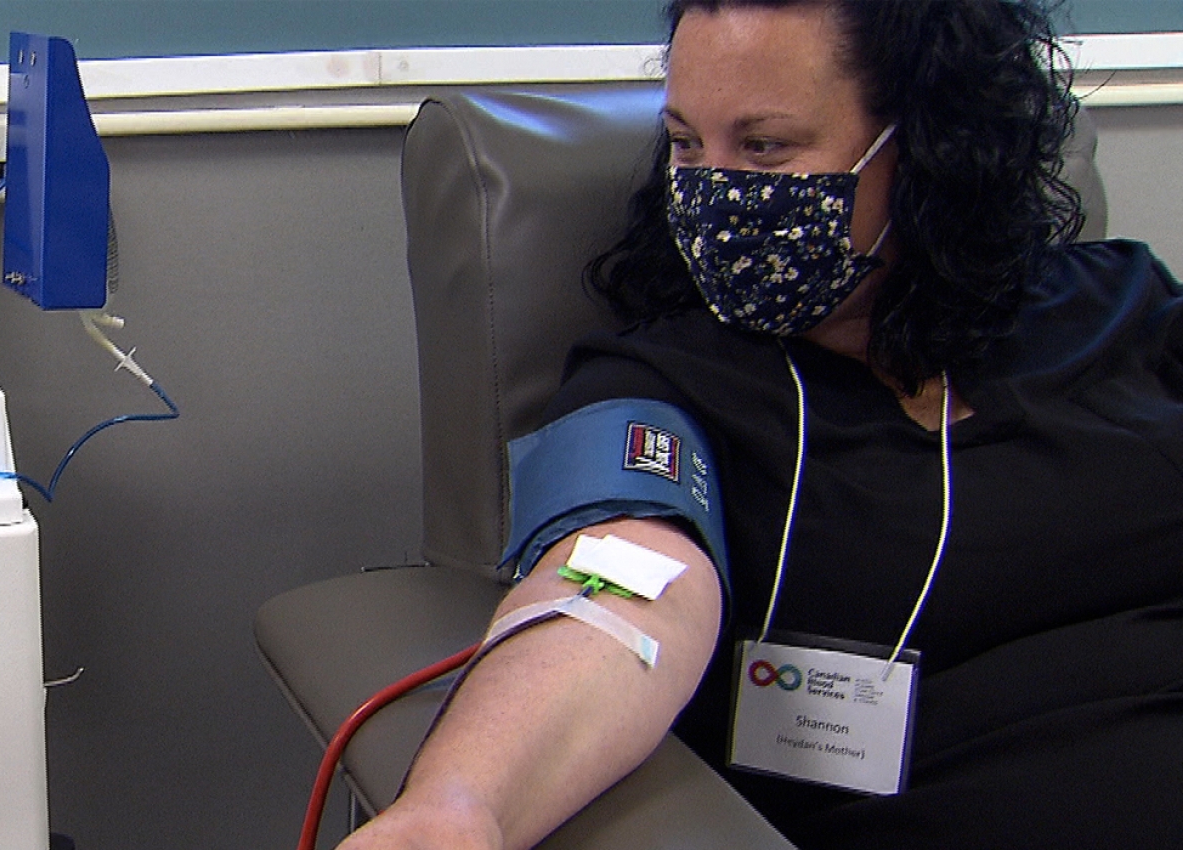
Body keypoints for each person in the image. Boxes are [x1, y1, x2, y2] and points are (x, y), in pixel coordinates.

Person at [341, 1, 1183, 848]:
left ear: (926, 144)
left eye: (765, 147)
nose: (711, 190)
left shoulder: (1119, 306)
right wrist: (459, 808)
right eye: (683, 143)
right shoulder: (666, 383)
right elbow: (618, 591)